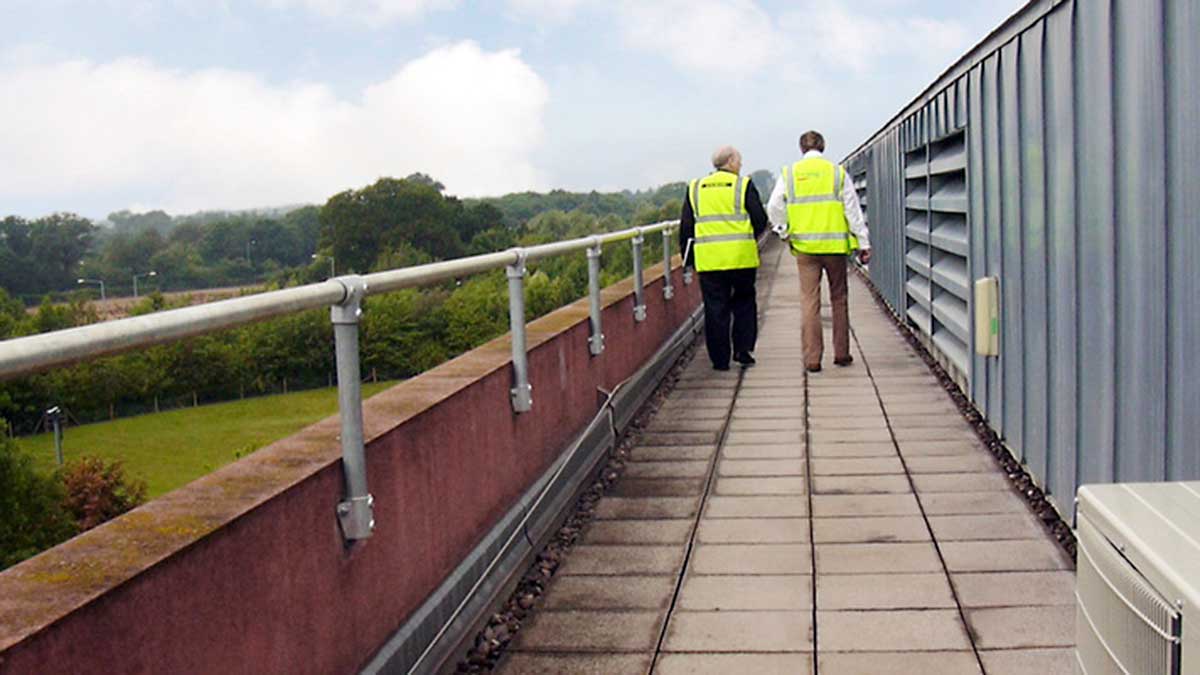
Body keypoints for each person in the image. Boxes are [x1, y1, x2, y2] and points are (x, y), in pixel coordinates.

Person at [767, 130, 870, 373]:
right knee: (839, 298)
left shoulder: (789, 174)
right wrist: (863, 243)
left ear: (801, 148)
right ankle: (842, 353)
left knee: (809, 300)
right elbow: (852, 211)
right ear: (823, 146)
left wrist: (784, 231)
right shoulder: (837, 173)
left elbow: (774, 206)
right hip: (834, 247)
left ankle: (813, 358)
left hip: (805, 248)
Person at [681, 145, 768, 371]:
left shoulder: (695, 188)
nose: (741, 165)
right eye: (739, 160)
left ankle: (720, 359)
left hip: (709, 259)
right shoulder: (743, 185)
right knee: (744, 302)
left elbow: (687, 227)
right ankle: (743, 349)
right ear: (730, 161)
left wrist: (688, 260)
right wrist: (748, 238)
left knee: (715, 308)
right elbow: (760, 219)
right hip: (741, 257)